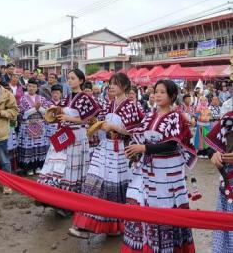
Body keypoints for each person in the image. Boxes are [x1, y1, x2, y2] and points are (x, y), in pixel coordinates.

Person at [122, 79, 196, 253]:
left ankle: (167, 248)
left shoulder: (176, 117)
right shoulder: (150, 115)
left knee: (165, 208)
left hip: (168, 172)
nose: (158, 95)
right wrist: (137, 150)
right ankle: (147, 246)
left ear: (172, 96)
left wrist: (144, 148)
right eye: (156, 91)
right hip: (148, 168)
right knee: (141, 203)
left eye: (163, 92)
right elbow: (140, 136)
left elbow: (171, 144)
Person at [70, 73, 143, 238]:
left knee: (116, 187)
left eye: (115, 84)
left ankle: (115, 225)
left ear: (124, 86)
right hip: (105, 148)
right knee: (93, 181)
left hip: (120, 152)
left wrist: (115, 128)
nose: (111, 86)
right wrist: (95, 123)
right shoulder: (110, 104)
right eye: (110, 84)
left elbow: (136, 130)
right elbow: (99, 121)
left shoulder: (130, 105)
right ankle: (86, 225)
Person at [38, 69, 100, 216]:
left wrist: (68, 118)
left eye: (73, 78)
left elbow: (88, 120)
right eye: (68, 78)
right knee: (57, 164)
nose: (70, 80)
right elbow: (61, 114)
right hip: (63, 134)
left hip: (77, 135)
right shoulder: (66, 98)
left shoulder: (85, 98)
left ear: (81, 81)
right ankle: (53, 197)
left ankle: (69, 203)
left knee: (72, 168)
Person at [206, 110, 233, 253]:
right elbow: (210, 148)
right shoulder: (229, 116)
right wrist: (214, 154)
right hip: (228, 187)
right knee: (225, 235)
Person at [18, 78, 49, 176]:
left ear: (37, 88)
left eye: (33, 86)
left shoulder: (42, 98)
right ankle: (29, 167)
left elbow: (46, 112)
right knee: (29, 146)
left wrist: (39, 108)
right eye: (29, 86)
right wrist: (35, 109)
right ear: (27, 87)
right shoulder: (23, 98)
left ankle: (38, 166)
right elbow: (23, 114)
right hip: (27, 125)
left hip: (40, 124)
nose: (31, 88)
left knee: (39, 146)